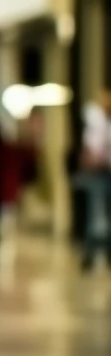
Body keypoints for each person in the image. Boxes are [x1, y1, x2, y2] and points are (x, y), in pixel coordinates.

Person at [78, 89, 111, 270]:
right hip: (98, 173)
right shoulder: (95, 121)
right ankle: (89, 254)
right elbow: (91, 148)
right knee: (94, 215)